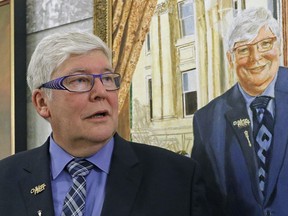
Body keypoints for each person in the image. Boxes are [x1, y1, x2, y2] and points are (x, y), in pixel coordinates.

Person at [0, 31, 209, 216]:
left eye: (108, 79)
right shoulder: (5, 179)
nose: (101, 92)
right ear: (42, 102)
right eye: (80, 80)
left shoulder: (178, 179)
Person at [191, 7, 288, 216]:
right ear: (230, 58)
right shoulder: (206, 120)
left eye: (265, 44)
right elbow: (201, 202)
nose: (256, 58)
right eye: (243, 49)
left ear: (279, 47)